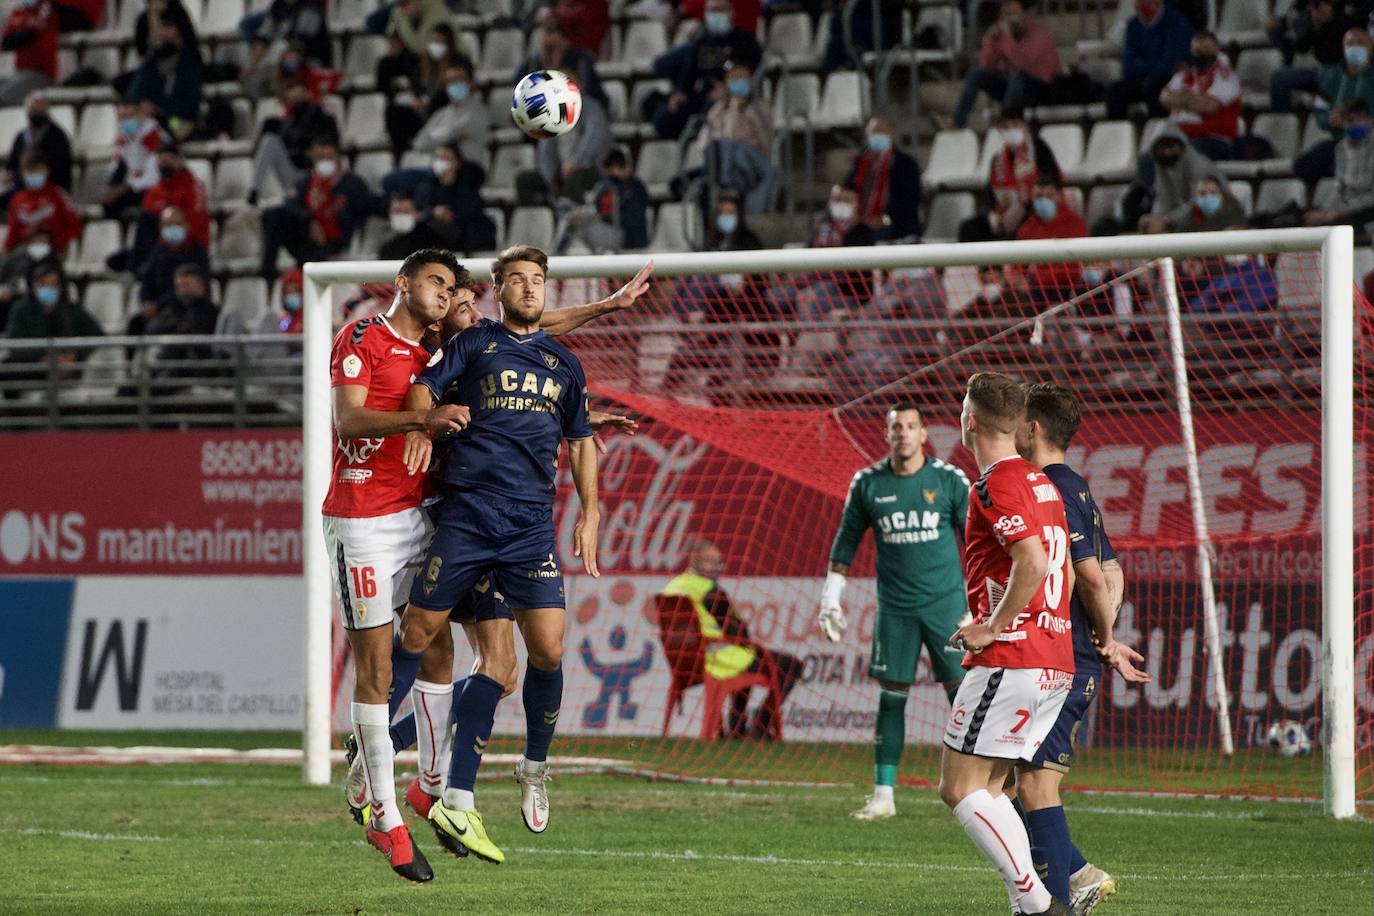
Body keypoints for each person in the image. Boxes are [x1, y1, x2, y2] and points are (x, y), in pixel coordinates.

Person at [384, 246, 604, 864]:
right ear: (498, 289)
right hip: (467, 517)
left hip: (530, 528)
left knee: (546, 652)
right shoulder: (474, 343)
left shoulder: (565, 363)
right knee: (425, 633)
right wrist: (425, 427)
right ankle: (382, 755)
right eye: (518, 281)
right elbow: (423, 385)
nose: (530, 289)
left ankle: (533, 767)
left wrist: (590, 511)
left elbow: (580, 440)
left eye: (538, 281)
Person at [322, 248, 472, 883]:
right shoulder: (362, 335)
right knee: (378, 671)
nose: (445, 293)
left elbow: (525, 335)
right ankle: (385, 817)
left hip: (417, 516)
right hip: (361, 522)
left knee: (437, 647)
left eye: (454, 287)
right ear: (404, 283)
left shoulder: (439, 350)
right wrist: (421, 418)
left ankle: (428, 784)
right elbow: (348, 417)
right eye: (436, 282)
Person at [939, 372, 1074, 916]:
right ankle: (1028, 907)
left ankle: (1038, 903)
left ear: (969, 420)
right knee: (993, 790)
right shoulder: (1043, 482)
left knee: (959, 788)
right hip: (1052, 660)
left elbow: (1033, 561)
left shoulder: (995, 484)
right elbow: (1050, 569)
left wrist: (993, 626)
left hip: (1012, 657)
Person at [1013, 382, 1148, 913]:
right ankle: (1074, 873)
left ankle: (1058, 897)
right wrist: (1105, 635)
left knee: (1034, 785)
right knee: (999, 784)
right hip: (1068, 654)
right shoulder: (1075, 484)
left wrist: (1105, 640)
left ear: (1034, 428)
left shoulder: (1051, 487)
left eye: (1019, 419)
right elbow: (1114, 571)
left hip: (1061, 658)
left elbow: (1091, 577)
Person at [820, 404, 971, 820]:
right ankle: (883, 794)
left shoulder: (949, 480)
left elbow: (976, 543)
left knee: (964, 697)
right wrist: (831, 596)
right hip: (896, 612)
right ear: (886, 435)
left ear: (924, 434)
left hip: (948, 610)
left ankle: (982, 786)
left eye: (910, 426)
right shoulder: (868, 484)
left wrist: (980, 606)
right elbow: (846, 541)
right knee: (891, 700)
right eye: (895, 427)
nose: (903, 433)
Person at [664, 540, 803, 739]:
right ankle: (761, 725)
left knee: (745, 655)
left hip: (682, 661)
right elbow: (738, 631)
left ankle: (738, 726)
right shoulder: (708, 590)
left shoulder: (673, 586)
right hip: (716, 659)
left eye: (718, 562)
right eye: (710, 561)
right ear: (695, 560)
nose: (715, 567)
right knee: (789, 665)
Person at [514, 19, 612, 194]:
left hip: (589, 168)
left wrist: (574, 164)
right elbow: (546, 147)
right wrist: (549, 177)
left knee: (577, 179)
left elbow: (593, 139)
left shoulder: (592, 108)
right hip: (564, 169)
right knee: (526, 181)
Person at [259, 136, 374, 278]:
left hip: (334, 243)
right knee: (274, 214)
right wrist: (310, 220)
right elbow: (290, 204)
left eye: (329, 157)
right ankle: (268, 271)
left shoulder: (353, 184)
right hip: (307, 239)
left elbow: (366, 207)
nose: (325, 161)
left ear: (338, 157)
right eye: (320, 157)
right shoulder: (305, 182)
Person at [650, 0, 761, 140]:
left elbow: (742, 70)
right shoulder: (700, 43)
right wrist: (680, 93)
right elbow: (689, 75)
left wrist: (727, 87)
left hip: (729, 96)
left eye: (721, 10)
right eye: (712, 11)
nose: (716, 15)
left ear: (732, 13)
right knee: (664, 118)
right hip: (703, 94)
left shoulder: (744, 41)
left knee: (713, 111)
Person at [954, 0, 1062, 129]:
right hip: (1017, 88)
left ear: (1024, 14)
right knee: (976, 74)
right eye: (1007, 14)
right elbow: (988, 65)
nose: (1012, 18)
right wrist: (989, 40)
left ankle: (1007, 121)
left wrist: (1007, 36)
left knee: (1016, 76)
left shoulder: (1038, 34)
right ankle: (958, 123)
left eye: (1015, 13)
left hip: (1043, 88)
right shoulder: (1005, 37)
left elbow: (1025, 64)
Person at [958, 110, 1061, 243]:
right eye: (1006, 127)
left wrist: (1023, 204)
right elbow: (989, 196)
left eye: (1016, 125)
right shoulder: (998, 160)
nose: (1011, 130)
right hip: (1005, 214)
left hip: (1034, 211)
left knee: (1021, 231)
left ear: (1025, 126)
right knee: (970, 228)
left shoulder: (1039, 150)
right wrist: (991, 215)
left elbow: (1051, 185)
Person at [2, 260, 100, 398]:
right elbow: (14, 343)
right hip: (34, 366)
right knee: (7, 367)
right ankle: (17, 414)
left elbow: (98, 337)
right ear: (34, 287)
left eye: (53, 284)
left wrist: (75, 355)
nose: (48, 288)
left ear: (61, 287)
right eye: (42, 284)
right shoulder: (21, 310)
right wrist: (42, 356)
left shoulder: (73, 310)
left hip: (66, 366)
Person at [1294, 27, 1374, 186]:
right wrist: (1329, 119)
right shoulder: (1331, 76)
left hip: (1371, 143)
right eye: (1350, 44)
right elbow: (1320, 110)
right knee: (1304, 165)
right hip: (1341, 141)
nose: (1355, 48)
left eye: (1360, 43)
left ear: (1371, 46)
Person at [700, 60, 776, 214]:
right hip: (729, 164)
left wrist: (742, 110)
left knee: (733, 145)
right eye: (733, 78)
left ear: (751, 79)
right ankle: (725, 183)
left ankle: (728, 183)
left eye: (742, 77)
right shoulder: (718, 109)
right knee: (719, 146)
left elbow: (766, 141)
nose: (738, 82)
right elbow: (704, 141)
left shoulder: (760, 107)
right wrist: (729, 107)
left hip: (754, 160)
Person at [249, 79, 340, 204]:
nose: (296, 100)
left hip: (316, 174)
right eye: (292, 98)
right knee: (269, 140)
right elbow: (263, 149)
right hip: (293, 174)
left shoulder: (325, 119)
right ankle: (254, 191)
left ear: (307, 94)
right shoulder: (282, 124)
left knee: (321, 153)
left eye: (300, 95)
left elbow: (332, 146)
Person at [384, 22, 468, 153]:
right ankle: (404, 153)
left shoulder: (459, 64)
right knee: (393, 112)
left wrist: (430, 102)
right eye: (433, 41)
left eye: (440, 42)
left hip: (445, 115)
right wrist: (419, 101)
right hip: (424, 114)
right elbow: (417, 90)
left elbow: (456, 93)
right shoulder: (421, 67)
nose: (436, 46)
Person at [1158, 30, 1241, 162]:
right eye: (1197, 51)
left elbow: (1209, 106)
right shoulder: (1183, 76)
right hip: (1180, 136)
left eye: (1206, 49)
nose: (1201, 54)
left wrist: (1181, 98)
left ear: (1216, 49)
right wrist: (1192, 99)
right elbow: (1164, 97)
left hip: (1212, 138)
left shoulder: (1227, 78)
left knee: (1185, 154)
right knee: (1147, 158)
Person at [1105, 0, 1194, 120]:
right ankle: (1116, 133)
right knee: (1116, 91)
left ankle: (1158, 131)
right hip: (1142, 81)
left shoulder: (1177, 23)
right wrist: (1146, 71)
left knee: (1154, 88)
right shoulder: (1133, 25)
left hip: (1169, 81)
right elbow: (1127, 67)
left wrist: (1143, 68)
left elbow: (1169, 65)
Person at [556, 146, 650, 252]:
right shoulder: (606, 185)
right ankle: (558, 254)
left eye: (611, 169)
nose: (608, 174)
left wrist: (601, 217)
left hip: (627, 236)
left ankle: (556, 255)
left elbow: (631, 218)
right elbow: (594, 206)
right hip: (610, 229)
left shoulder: (635, 187)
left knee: (576, 225)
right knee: (572, 219)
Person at [842, 118, 923, 242]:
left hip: (895, 224)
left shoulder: (905, 163)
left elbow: (911, 199)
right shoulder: (860, 162)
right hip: (862, 223)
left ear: (891, 134)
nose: (877, 136)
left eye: (881, 131)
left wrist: (885, 219)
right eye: (873, 133)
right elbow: (847, 189)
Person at [1013, 174, 1087, 306]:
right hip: (1034, 289)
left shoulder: (1075, 225)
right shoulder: (1027, 228)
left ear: (1059, 196)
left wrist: (1038, 278)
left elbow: (1073, 268)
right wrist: (1019, 280)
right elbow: (1018, 267)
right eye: (1039, 197)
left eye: (1049, 196)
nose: (1043, 201)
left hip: (1064, 287)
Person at [1301, 99, 1374, 230]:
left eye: (1359, 119)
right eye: (1349, 121)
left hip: (1368, 207)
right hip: (1347, 207)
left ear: (1369, 120)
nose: (1354, 124)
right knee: (1308, 219)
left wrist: (1338, 213)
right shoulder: (1341, 148)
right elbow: (1339, 188)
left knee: (1338, 227)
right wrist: (1324, 212)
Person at [411, 142, 496, 254]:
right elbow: (419, 211)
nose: (441, 162)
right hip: (435, 233)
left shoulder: (469, 183)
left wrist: (451, 213)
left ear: (457, 162)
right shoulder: (426, 186)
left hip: (463, 231)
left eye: (446, 158)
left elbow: (474, 207)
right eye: (438, 158)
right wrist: (433, 213)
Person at [129, 18, 205, 138]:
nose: (163, 36)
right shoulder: (151, 64)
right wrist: (143, 104)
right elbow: (137, 92)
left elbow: (190, 106)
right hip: (152, 119)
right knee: (131, 126)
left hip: (179, 121)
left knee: (159, 128)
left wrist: (159, 110)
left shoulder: (189, 65)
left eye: (168, 30)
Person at [240, 0, 330, 100]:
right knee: (252, 80)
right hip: (283, 61)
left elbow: (300, 45)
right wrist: (251, 67)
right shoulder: (277, 6)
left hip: (309, 62)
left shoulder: (311, 8)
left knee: (281, 49)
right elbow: (263, 38)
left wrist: (281, 71)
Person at [3, 149, 81, 256]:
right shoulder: (18, 200)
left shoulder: (57, 195)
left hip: (54, 250)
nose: (34, 174)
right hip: (25, 252)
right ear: (22, 173)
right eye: (30, 171)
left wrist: (56, 240)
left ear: (46, 170)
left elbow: (75, 226)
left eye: (38, 170)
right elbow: (12, 235)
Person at [3, 92, 72, 208]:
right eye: (34, 109)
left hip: (50, 188)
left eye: (40, 109)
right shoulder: (21, 137)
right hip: (22, 187)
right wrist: (10, 174)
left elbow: (56, 168)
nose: (36, 113)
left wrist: (24, 174)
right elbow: (11, 164)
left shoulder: (58, 137)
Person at [411, 61, 490, 158]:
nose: (454, 85)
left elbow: (453, 132)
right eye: (450, 81)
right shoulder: (441, 114)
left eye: (459, 80)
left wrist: (436, 137)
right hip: (440, 166)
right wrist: (445, 139)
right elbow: (419, 144)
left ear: (471, 83)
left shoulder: (478, 112)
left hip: (468, 166)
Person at [103, 100, 168, 219]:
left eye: (129, 117)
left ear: (140, 114)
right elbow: (120, 166)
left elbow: (155, 173)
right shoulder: (124, 137)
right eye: (122, 118)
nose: (125, 122)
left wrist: (125, 189)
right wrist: (111, 187)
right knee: (108, 202)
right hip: (136, 185)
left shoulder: (152, 134)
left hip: (157, 186)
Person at [376, 0, 455, 96]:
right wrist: (395, 42)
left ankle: (424, 99)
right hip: (413, 55)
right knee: (385, 65)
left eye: (406, 3)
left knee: (420, 68)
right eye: (401, 4)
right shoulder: (397, 11)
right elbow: (391, 33)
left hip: (441, 56)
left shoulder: (435, 8)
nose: (404, 8)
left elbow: (443, 38)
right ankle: (393, 100)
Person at [137, 206, 210, 309]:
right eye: (168, 225)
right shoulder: (159, 251)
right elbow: (147, 279)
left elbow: (188, 288)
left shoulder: (196, 252)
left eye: (177, 224)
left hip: (186, 307)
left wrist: (157, 306)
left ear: (186, 226)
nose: (172, 228)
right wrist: (145, 301)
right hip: (159, 311)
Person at [0, 0, 58, 106]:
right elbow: (6, 40)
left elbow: (30, 33)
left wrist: (14, 37)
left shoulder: (45, 7)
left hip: (41, 74)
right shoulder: (19, 11)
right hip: (20, 74)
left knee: (3, 96)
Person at [1142, 174, 1245, 233]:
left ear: (1222, 194)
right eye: (1202, 193)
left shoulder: (1234, 211)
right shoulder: (1190, 214)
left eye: (1213, 193)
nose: (1208, 197)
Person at [377, 194, 450, 260]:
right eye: (397, 211)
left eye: (406, 211)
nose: (402, 215)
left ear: (417, 214)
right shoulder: (386, 246)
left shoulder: (432, 242)